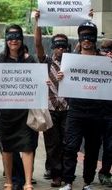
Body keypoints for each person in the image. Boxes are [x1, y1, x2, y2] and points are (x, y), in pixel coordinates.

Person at [0, 24, 38, 190]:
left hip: (25, 111)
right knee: (8, 147)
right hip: (6, 112)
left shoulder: (29, 59)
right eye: (10, 37)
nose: (14, 41)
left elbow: (36, 82)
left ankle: (28, 182)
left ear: (22, 39)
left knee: (27, 146)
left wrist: (43, 82)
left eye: (17, 37)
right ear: (6, 39)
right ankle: (9, 181)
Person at [57, 21, 103, 190]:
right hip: (75, 110)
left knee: (92, 149)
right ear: (79, 39)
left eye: (90, 36)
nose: (87, 40)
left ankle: (87, 182)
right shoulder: (69, 61)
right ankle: (68, 181)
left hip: (97, 111)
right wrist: (61, 77)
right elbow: (59, 81)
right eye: (83, 36)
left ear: (95, 38)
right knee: (70, 146)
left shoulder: (105, 61)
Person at [34, 10, 70, 187]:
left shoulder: (73, 63)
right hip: (50, 108)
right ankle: (56, 174)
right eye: (58, 45)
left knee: (67, 142)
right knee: (52, 143)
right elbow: (38, 44)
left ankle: (66, 172)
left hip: (68, 109)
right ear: (53, 46)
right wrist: (38, 23)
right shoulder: (45, 61)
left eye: (64, 46)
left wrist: (88, 19)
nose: (61, 49)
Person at [98, 39, 112, 187]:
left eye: (108, 50)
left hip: (110, 112)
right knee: (93, 145)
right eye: (103, 49)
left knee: (110, 146)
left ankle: (105, 172)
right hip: (94, 110)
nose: (106, 52)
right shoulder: (95, 59)